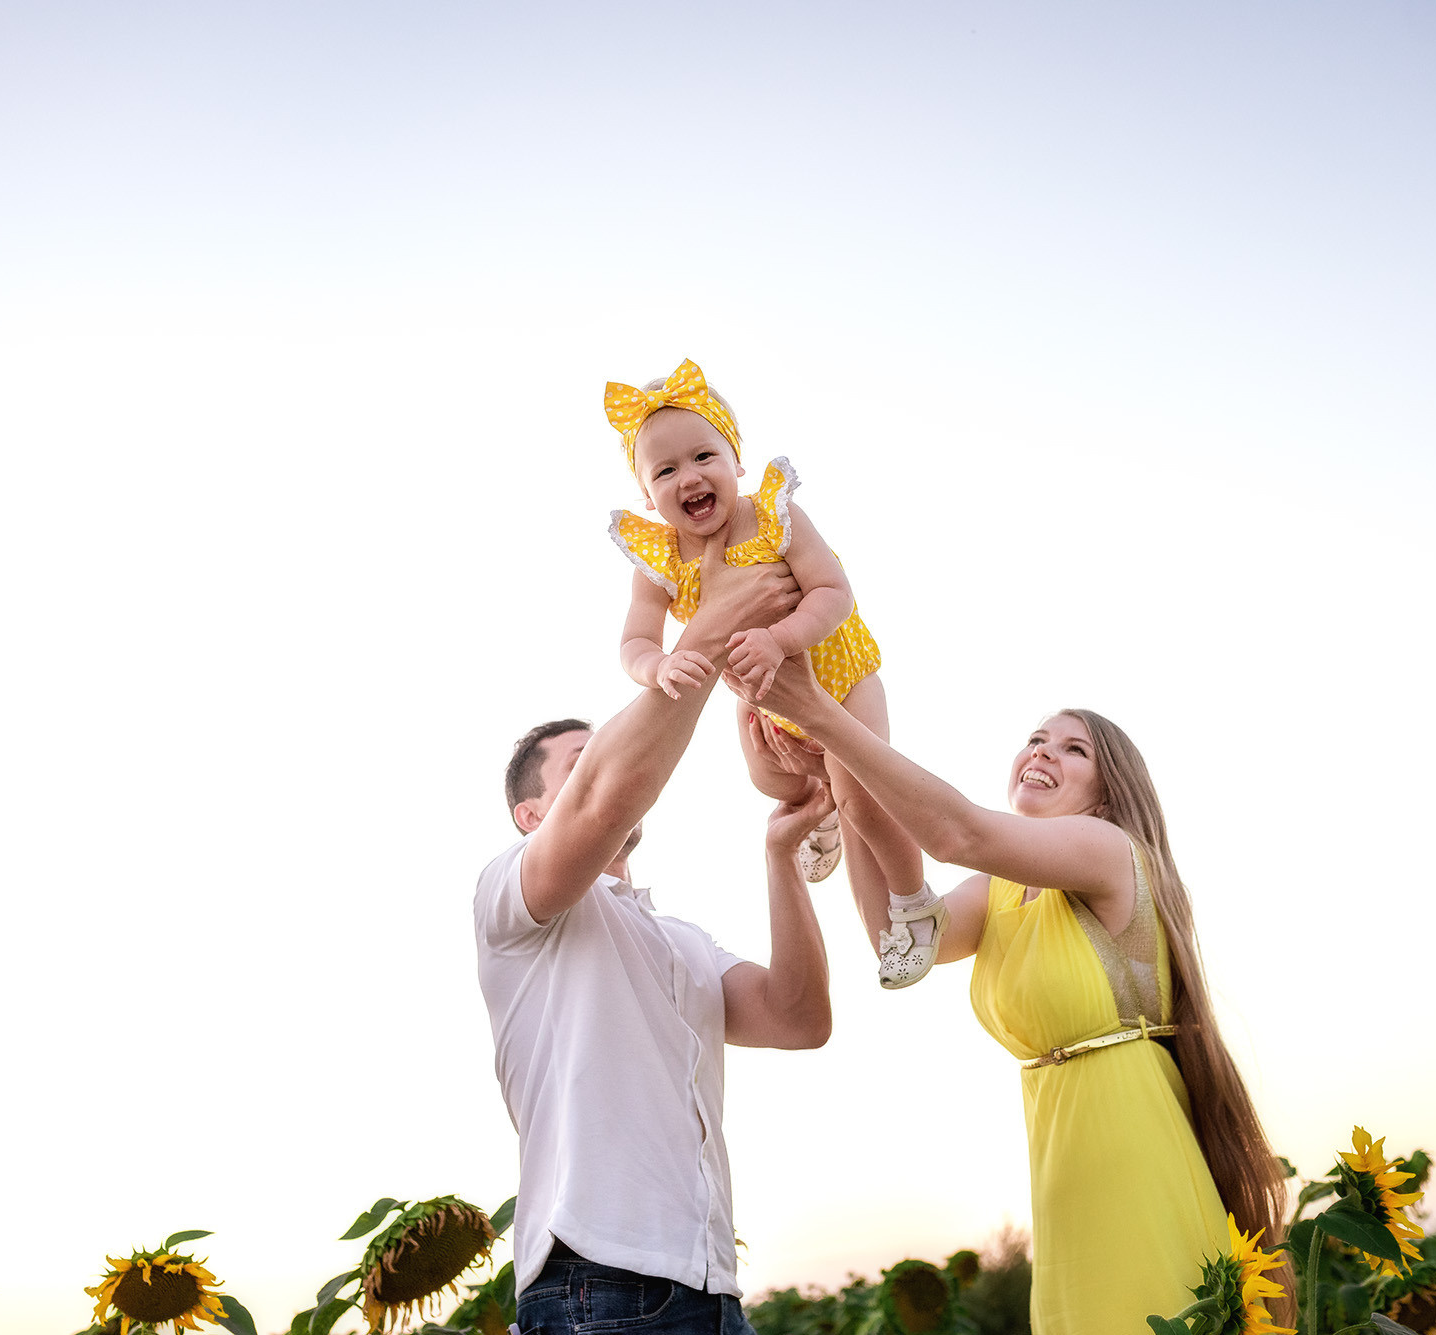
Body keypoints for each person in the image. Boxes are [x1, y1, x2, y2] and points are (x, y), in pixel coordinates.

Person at [741, 658, 1293, 1333]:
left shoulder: (1107, 848)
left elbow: (956, 834)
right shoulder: (1000, 891)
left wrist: (829, 716)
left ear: (1108, 793)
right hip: (1063, 1162)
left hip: (1137, 1154)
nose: (1042, 751)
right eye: (1036, 738)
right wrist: (838, 771)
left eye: (1073, 748)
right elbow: (898, 934)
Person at [474, 540, 834, 1335]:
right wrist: (713, 626)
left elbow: (800, 1017)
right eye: (581, 759)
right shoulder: (513, 898)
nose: (612, 759)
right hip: (593, 1284)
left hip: (710, 1287)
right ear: (531, 818)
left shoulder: (683, 942)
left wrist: (781, 855)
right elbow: (606, 797)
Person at [603, 359, 929, 986]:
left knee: (862, 796)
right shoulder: (659, 561)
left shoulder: (775, 518)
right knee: (767, 779)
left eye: (704, 457)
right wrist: (659, 664)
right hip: (767, 699)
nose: (689, 477)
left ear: (736, 463)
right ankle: (819, 809)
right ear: (647, 494)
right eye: (665, 470)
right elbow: (635, 639)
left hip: (840, 682)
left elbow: (834, 593)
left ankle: (910, 907)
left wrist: (781, 639)